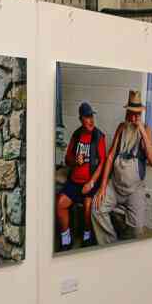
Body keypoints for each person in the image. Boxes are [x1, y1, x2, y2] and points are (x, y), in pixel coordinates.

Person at [92, 91, 152, 244]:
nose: (133, 118)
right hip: (114, 185)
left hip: (134, 189)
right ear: (126, 112)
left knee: (137, 229)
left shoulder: (146, 130)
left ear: (141, 114)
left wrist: (141, 130)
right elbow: (109, 157)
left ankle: (125, 246)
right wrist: (102, 187)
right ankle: (110, 242)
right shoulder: (122, 127)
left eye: (137, 114)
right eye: (130, 114)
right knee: (96, 209)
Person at [56, 102, 107, 251]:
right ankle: (66, 238)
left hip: (90, 181)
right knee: (60, 203)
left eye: (91, 116)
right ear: (81, 119)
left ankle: (86, 236)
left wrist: (91, 183)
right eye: (87, 117)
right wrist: (74, 160)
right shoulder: (77, 134)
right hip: (74, 181)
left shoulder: (99, 136)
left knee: (87, 207)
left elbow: (103, 162)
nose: (90, 120)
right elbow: (67, 159)